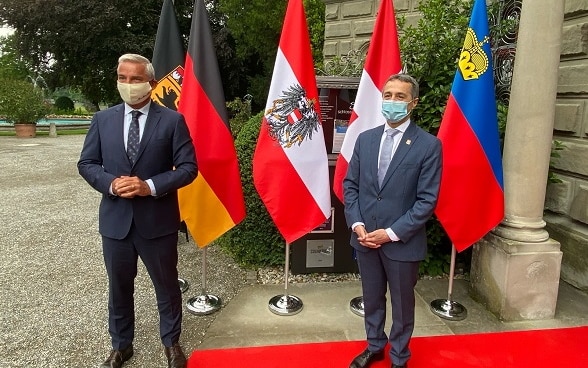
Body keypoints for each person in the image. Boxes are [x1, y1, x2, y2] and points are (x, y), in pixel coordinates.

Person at [78, 53, 197, 368]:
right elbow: (87, 163)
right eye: (123, 78)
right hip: (116, 222)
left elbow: (188, 168)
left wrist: (150, 185)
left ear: (152, 84)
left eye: (135, 79)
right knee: (118, 288)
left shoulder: (172, 120)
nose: (128, 85)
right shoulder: (102, 120)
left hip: (157, 222)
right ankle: (121, 346)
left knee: (167, 286)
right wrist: (111, 184)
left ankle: (172, 344)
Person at [343, 73, 442, 368]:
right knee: (371, 299)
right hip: (364, 239)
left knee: (402, 304)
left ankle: (399, 356)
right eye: (388, 95)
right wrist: (357, 224)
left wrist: (390, 233)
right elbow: (351, 186)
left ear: (413, 103)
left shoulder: (428, 145)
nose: (392, 101)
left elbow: (427, 201)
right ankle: (375, 345)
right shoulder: (366, 140)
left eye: (400, 97)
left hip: (401, 243)